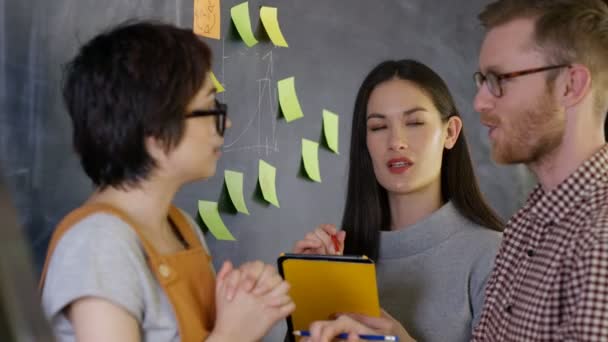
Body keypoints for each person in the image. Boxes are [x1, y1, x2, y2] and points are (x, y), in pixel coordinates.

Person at [39, 20, 294, 342]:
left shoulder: (182, 227)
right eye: (209, 108)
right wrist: (234, 334)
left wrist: (244, 304)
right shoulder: (99, 243)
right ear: (156, 134)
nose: (226, 122)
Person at [293, 59, 503, 342]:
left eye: (414, 122)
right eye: (378, 127)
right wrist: (312, 293)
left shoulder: (497, 257)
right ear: (365, 142)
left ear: (450, 133)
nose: (396, 141)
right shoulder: (342, 258)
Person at [470, 0, 608, 340]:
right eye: (482, 80)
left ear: (570, 86)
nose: (480, 102)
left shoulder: (600, 237)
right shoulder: (525, 225)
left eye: (499, 79)